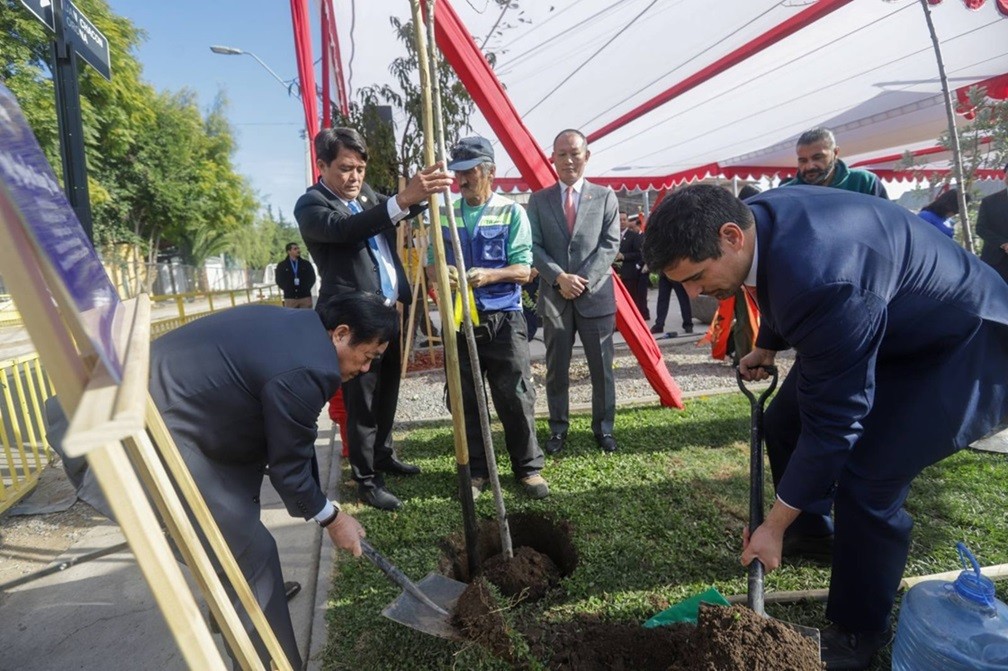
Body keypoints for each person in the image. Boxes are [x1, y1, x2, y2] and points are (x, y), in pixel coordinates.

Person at [643, 184, 1008, 671]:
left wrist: (772, 525)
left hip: (965, 345)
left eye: (696, 277)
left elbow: (836, 424)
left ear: (730, 237)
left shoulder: (823, 278)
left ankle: (859, 631)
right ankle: (814, 533)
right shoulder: (755, 222)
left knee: (868, 478)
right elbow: (769, 277)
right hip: (888, 321)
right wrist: (769, 342)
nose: (691, 294)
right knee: (782, 420)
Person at [294, 127, 453, 511]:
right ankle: (366, 478)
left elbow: (400, 206)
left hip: (388, 313)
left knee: (387, 394)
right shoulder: (312, 204)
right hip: (354, 323)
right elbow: (348, 230)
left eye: (361, 169)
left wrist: (426, 187)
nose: (355, 178)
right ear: (323, 165)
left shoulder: (364, 195)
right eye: (346, 169)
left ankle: (383, 454)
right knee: (361, 402)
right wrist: (403, 199)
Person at [426, 136, 548, 500]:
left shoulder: (512, 213)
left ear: (490, 172)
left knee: (515, 393)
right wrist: (441, 273)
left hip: (503, 319)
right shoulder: (445, 214)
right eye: (457, 173)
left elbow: (525, 269)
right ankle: (477, 471)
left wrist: (489, 275)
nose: (461, 181)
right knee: (464, 397)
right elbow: (433, 262)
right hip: (459, 320)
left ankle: (528, 469)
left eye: (469, 172)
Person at [528, 129, 620, 454]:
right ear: (552, 158)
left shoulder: (606, 196)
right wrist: (558, 278)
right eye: (561, 154)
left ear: (587, 156)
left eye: (574, 153)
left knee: (602, 371)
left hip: (595, 297)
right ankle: (557, 429)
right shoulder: (538, 200)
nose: (568, 160)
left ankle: (604, 428)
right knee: (556, 370)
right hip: (555, 299)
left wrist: (580, 279)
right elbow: (533, 246)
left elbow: (610, 245)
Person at [780, 127, 889, 198]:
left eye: (818, 157)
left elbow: (889, 224)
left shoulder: (864, 182)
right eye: (803, 160)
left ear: (835, 153)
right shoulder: (785, 194)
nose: (809, 166)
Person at [977, 163, 1008, 283]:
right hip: (995, 261)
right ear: (1005, 175)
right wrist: (1004, 244)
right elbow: (981, 228)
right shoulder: (989, 201)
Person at [615, 210, 647, 317]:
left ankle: (633, 317)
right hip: (615, 273)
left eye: (624, 219)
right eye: (619, 220)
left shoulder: (633, 236)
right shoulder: (611, 235)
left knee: (631, 298)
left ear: (628, 221)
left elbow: (639, 254)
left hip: (629, 273)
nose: (622, 222)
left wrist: (624, 256)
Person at [275, 242, 316, 308]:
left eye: (298, 248)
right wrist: (287, 289)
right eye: (295, 249)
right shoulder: (282, 265)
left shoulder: (306, 264)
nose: (298, 250)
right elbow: (279, 280)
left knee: (306, 317)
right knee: (292, 317)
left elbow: (312, 278)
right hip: (290, 298)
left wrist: (306, 288)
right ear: (289, 251)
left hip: (305, 297)